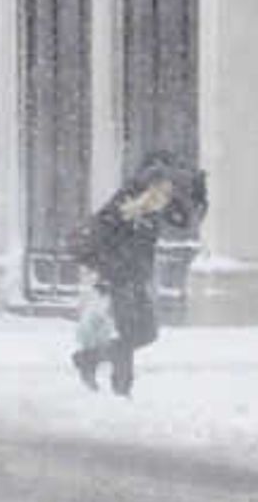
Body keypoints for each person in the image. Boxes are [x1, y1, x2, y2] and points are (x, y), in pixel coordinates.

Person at [71, 160, 207, 396]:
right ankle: (121, 387)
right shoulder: (122, 209)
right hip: (119, 278)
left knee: (145, 333)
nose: (167, 194)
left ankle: (90, 359)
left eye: (169, 190)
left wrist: (199, 194)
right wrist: (109, 273)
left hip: (135, 277)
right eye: (163, 189)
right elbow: (99, 239)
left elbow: (184, 221)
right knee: (132, 333)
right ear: (150, 187)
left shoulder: (153, 211)